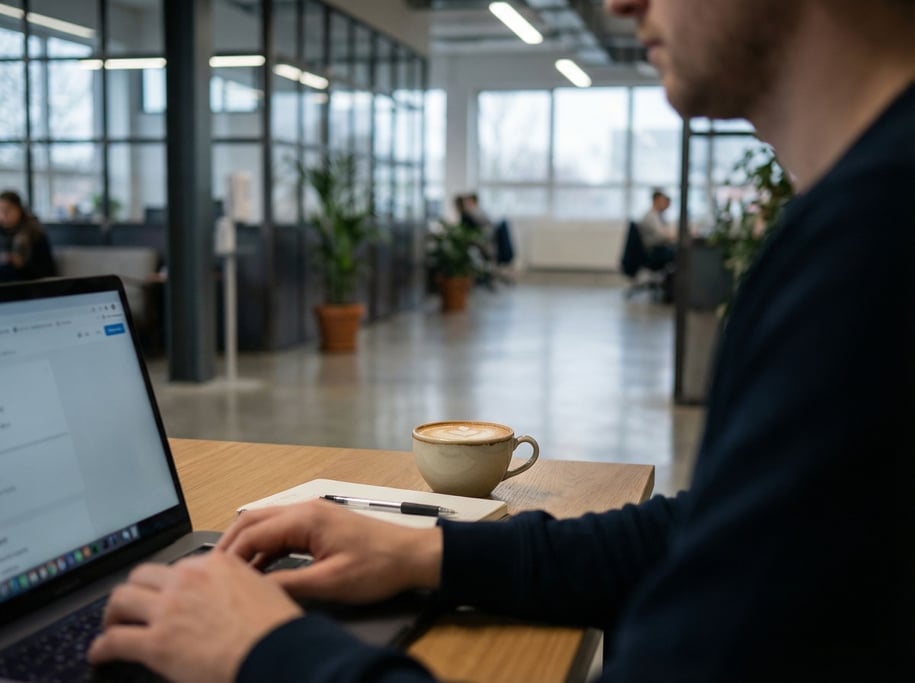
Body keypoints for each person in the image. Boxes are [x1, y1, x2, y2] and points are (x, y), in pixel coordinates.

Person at [89, 0, 915, 681]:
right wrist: (429, 554)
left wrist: (266, 651)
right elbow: (710, 535)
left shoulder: (871, 253)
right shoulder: (861, 224)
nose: (620, 6)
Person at [0, 190, 56, 282]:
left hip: (28, 283)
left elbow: (47, 271)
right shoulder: (2, 234)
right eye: (0, 210)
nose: (3, 215)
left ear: (19, 210)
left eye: (8, 210)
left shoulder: (35, 234)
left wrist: (21, 263)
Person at [637, 189, 676, 269]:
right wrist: (673, 235)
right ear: (656, 200)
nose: (664, 204)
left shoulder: (657, 215)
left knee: (677, 251)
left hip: (656, 248)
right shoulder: (651, 216)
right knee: (678, 254)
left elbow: (665, 231)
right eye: (662, 201)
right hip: (653, 251)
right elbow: (661, 236)